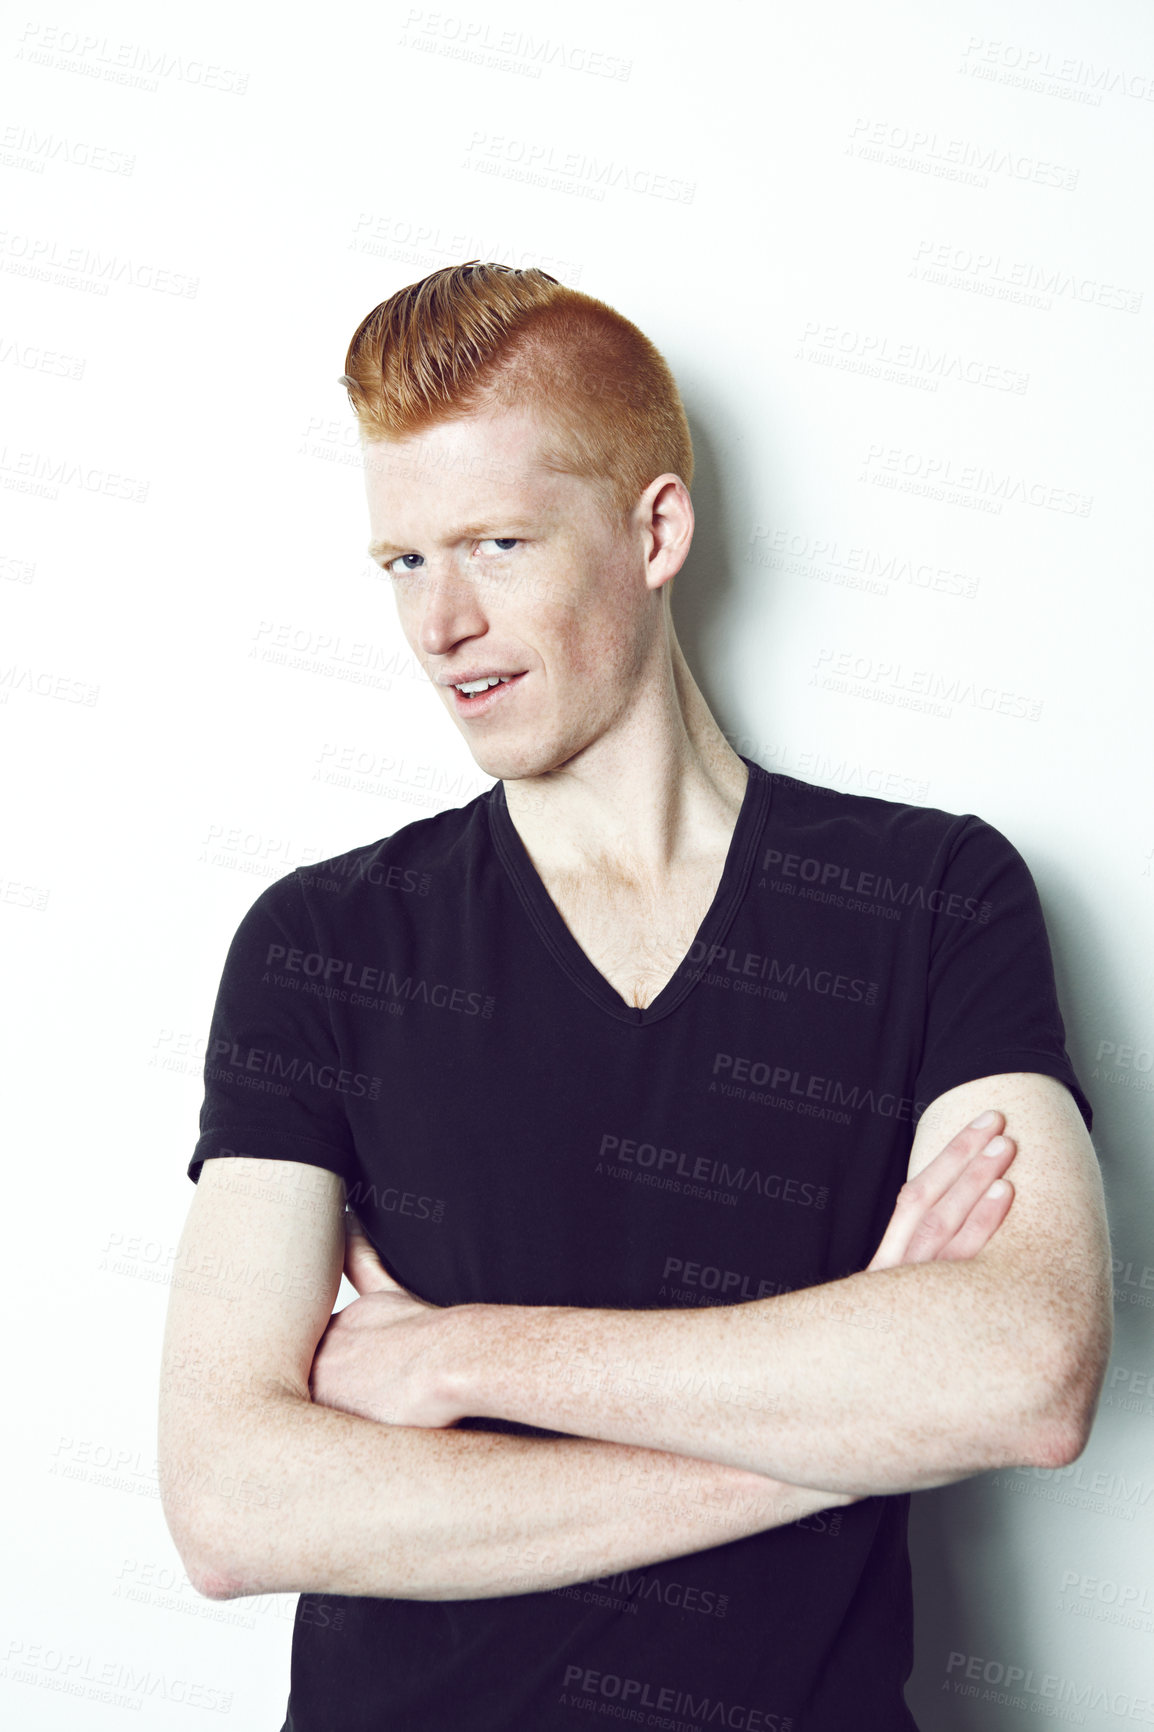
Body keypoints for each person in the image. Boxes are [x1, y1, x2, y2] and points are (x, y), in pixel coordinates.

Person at [158, 262, 1112, 1732]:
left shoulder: (930, 897)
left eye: (494, 543)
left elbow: (1024, 1372)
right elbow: (232, 1501)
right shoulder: (320, 944)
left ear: (653, 528)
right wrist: (845, 1417)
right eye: (403, 562)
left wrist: (453, 1355)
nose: (440, 625)